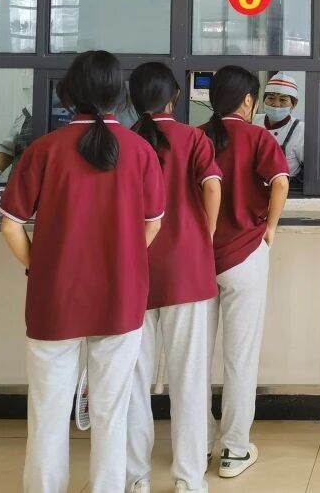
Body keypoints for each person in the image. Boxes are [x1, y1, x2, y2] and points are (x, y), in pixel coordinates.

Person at [0, 51, 165, 493]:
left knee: (47, 410)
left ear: (68, 94)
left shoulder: (43, 150)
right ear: (119, 95)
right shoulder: (140, 150)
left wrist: (40, 266)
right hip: (121, 296)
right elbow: (153, 223)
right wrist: (124, 259)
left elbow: (10, 224)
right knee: (112, 411)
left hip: (54, 297)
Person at [125, 62, 222, 493]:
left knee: (133, 380)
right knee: (189, 378)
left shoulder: (124, 141)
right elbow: (212, 186)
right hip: (186, 271)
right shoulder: (193, 138)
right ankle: (188, 479)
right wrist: (206, 233)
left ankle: (136, 477)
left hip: (134, 272)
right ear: (174, 98)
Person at [201, 66, 289, 479]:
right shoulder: (258, 137)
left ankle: (197, 444)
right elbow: (281, 182)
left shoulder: (196, 136)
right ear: (249, 100)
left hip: (200, 259)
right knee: (240, 357)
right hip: (245, 256)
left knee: (196, 358)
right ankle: (234, 450)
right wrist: (270, 227)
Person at [252, 73, 303, 185]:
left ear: (294, 104)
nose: (276, 104)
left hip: (286, 189)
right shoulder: (253, 121)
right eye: (271, 98)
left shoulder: (300, 130)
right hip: (255, 187)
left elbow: (310, 170)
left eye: (283, 100)